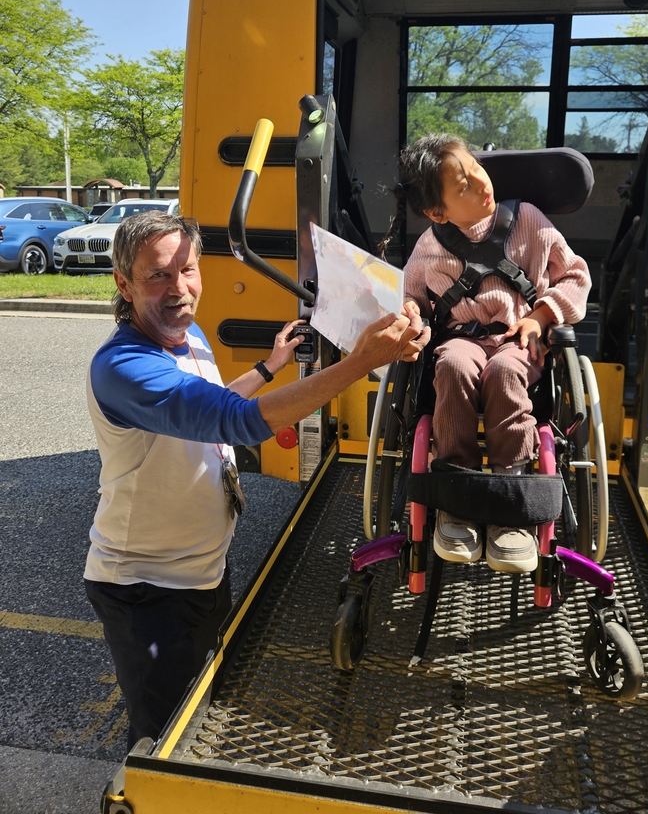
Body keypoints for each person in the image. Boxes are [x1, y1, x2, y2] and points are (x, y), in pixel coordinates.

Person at [84, 211, 426, 750]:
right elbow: (235, 422)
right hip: (146, 590)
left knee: (195, 707)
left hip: (200, 572)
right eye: (158, 276)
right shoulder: (124, 368)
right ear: (123, 284)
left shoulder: (187, 335)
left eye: (188, 270)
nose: (180, 289)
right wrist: (360, 363)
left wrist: (269, 367)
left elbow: (216, 402)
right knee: (160, 738)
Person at [383, 133, 590, 574]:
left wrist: (542, 315)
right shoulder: (430, 244)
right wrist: (412, 311)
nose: (481, 182)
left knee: (504, 372)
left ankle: (509, 506)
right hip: (461, 337)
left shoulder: (528, 220)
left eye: (475, 168)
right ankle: (457, 499)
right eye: (463, 186)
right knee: (453, 363)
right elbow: (413, 296)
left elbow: (574, 275)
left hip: (520, 339)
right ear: (437, 212)